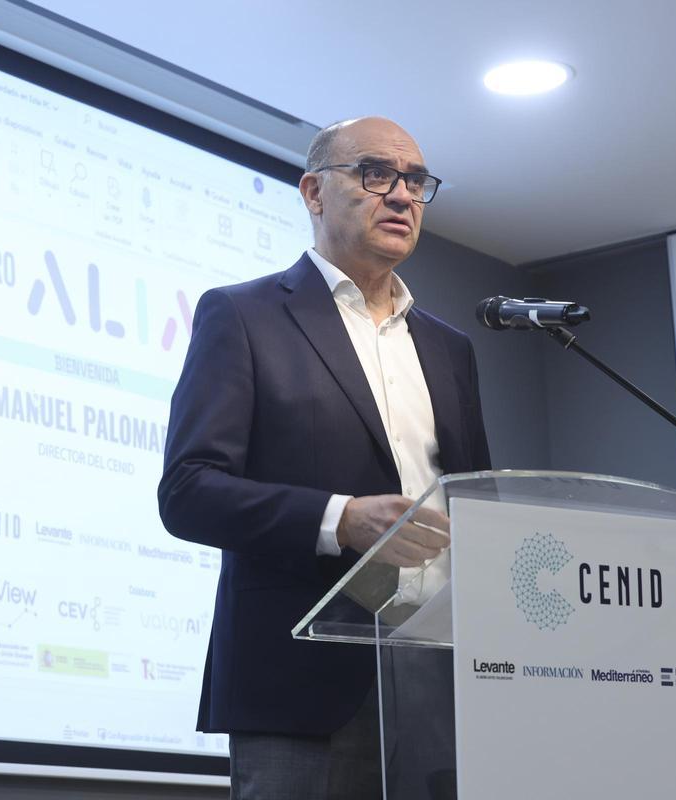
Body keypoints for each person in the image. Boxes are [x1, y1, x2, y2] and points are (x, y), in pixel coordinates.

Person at [158, 117, 491, 799]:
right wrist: (340, 520)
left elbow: (480, 503)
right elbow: (189, 491)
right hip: (299, 686)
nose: (402, 195)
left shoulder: (449, 348)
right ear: (314, 192)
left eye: (416, 181)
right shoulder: (244, 317)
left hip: (439, 679)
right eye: (376, 174)